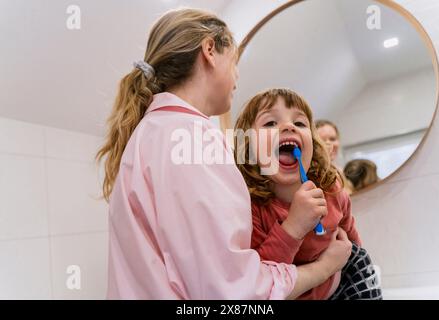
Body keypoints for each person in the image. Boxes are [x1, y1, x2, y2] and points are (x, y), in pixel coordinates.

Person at [96, 8, 350, 299]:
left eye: (300, 122)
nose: (237, 76)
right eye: (235, 61)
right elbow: (232, 294)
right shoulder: (192, 141)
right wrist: (326, 267)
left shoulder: (147, 134)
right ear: (210, 51)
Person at [234, 88, 382, 300]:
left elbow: (350, 237)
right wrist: (294, 226)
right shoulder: (251, 207)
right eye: (270, 123)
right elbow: (262, 279)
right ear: (248, 148)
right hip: (290, 294)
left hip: (339, 283)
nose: (288, 126)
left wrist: (353, 252)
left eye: (300, 123)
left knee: (359, 257)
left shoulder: (331, 188)